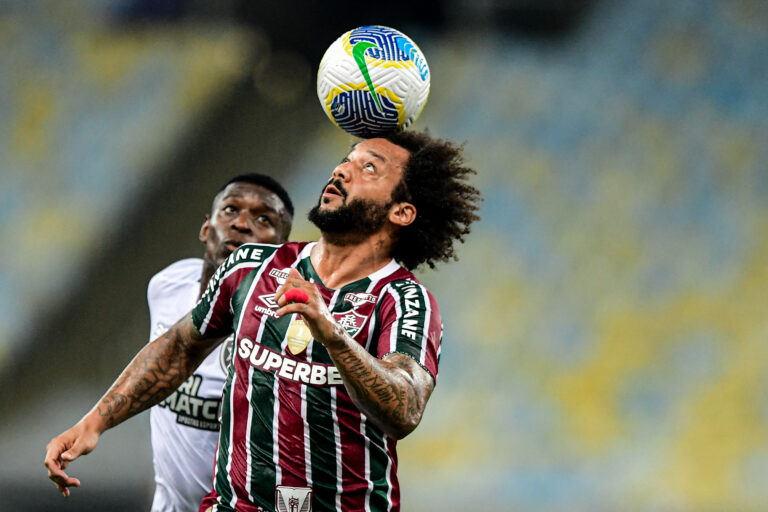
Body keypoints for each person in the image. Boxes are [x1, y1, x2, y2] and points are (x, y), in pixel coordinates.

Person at [45, 129, 482, 512]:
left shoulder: (404, 300)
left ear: (401, 212)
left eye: (368, 167)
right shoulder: (251, 266)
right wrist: (95, 421)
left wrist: (332, 334)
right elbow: (179, 349)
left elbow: (404, 409)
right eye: (345, 159)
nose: (342, 171)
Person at [146, 174, 294, 511]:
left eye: (263, 219)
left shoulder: (287, 331)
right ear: (205, 228)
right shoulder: (167, 286)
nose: (241, 224)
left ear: (283, 251)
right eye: (230, 210)